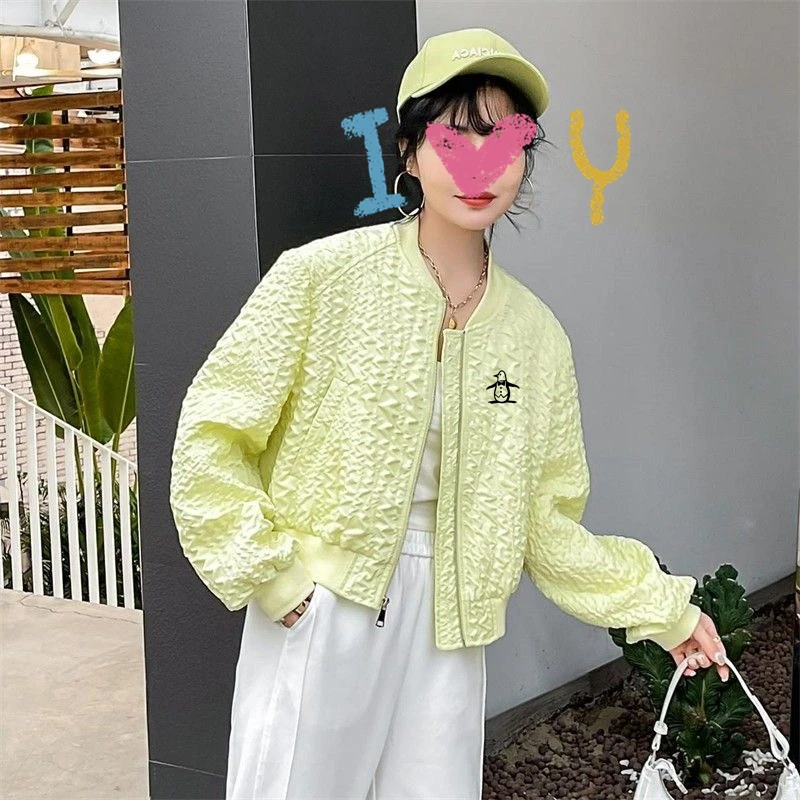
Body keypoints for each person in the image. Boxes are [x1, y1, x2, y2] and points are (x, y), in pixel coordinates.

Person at [169, 26, 731, 800]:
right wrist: (276, 580)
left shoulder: (535, 337)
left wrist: (664, 609)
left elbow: (545, 525)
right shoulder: (322, 278)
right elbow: (210, 435)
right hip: (322, 604)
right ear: (409, 153)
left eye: (504, 141)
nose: (479, 165)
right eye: (453, 138)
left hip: (454, 627)